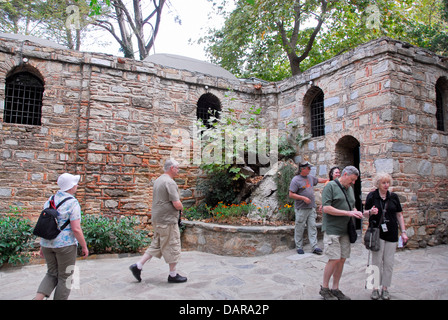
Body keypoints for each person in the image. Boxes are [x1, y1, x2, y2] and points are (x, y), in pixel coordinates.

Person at [130, 158, 187, 283]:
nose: (178, 170)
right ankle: (173, 275)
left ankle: (138, 265)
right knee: (172, 245)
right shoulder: (170, 182)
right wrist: (182, 208)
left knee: (157, 244)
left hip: (158, 220)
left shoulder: (159, 180)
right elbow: (176, 203)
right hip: (167, 221)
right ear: (172, 168)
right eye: (177, 168)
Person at [34, 173, 88, 300]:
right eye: (75, 184)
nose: (77, 186)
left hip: (47, 244)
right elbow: (76, 229)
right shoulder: (72, 203)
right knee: (66, 277)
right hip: (65, 246)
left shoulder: (50, 200)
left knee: (51, 273)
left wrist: (42, 245)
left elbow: (46, 224)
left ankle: (37, 298)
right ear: (71, 187)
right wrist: (84, 246)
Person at [319, 166, 363, 300]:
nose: (353, 183)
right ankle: (325, 288)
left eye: (355, 180)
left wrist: (355, 211)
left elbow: (351, 205)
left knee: (342, 259)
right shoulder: (330, 186)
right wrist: (348, 213)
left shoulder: (349, 189)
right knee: (334, 259)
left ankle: (335, 288)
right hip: (332, 229)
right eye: (352, 180)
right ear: (344, 174)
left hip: (345, 230)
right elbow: (326, 208)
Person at [364, 172, 408, 300]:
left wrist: (403, 232)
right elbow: (365, 213)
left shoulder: (393, 197)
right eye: (383, 183)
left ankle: (385, 288)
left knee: (389, 263)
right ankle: (374, 288)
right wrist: (370, 212)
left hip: (392, 233)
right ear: (378, 183)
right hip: (377, 233)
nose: (386, 185)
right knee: (376, 261)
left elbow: (399, 215)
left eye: (388, 182)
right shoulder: (372, 196)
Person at [289, 162, 328, 255]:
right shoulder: (296, 180)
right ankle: (299, 247)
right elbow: (291, 194)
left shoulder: (310, 178)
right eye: (308, 168)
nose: (310, 170)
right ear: (302, 169)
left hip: (311, 208)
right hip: (301, 208)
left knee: (312, 227)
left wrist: (329, 180)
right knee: (300, 227)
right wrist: (303, 198)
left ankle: (314, 246)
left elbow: (318, 180)